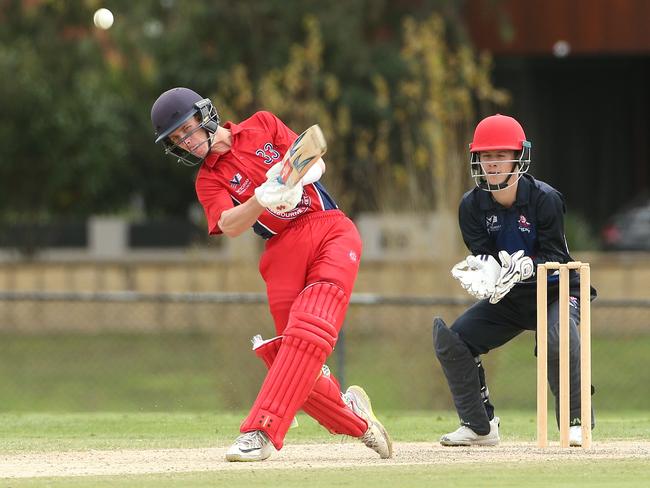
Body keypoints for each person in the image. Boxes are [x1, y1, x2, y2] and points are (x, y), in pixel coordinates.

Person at [150, 87, 392, 461]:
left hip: (328, 227)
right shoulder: (207, 180)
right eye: (177, 140)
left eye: (187, 129)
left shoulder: (262, 124)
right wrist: (260, 199)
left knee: (310, 329)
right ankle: (359, 422)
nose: (187, 142)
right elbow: (228, 224)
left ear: (205, 114)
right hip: (281, 251)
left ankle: (260, 430)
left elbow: (312, 157)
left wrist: (294, 181)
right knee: (294, 359)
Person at [433, 114, 596, 447]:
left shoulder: (545, 199)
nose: (492, 164)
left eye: (500, 155)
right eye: (486, 156)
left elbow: (558, 259)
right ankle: (480, 427)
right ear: (476, 158)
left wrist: (528, 267)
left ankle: (575, 421)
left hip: (555, 290)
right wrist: (486, 273)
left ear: (518, 157)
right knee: (453, 340)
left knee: (558, 335)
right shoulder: (471, 207)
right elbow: (484, 256)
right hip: (509, 297)